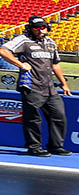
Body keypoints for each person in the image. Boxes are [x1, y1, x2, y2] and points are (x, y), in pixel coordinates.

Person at [0, 15, 73, 156]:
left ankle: (56, 146)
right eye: (36, 28)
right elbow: (3, 51)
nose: (40, 30)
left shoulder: (50, 43)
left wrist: (64, 84)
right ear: (30, 28)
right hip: (31, 86)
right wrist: (20, 64)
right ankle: (34, 147)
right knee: (33, 119)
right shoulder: (23, 40)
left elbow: (55, 64)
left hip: (50, 87)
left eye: (42, 27)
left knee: (59, 115)